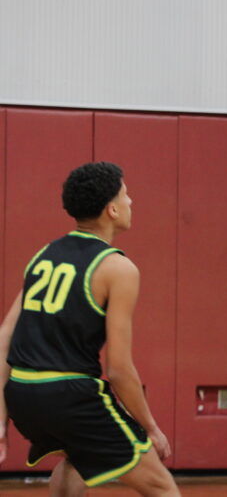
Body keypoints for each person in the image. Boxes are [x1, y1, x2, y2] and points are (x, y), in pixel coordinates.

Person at [0, 162, 178, 496]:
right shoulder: (118, 268)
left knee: (78, 461)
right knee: (161, 487)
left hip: (23, 394)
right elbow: (120, 369)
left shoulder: (43, 256)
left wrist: (0, 418)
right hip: (71, 396)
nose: (131, 202)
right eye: (126, 195)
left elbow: (3, 339)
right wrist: (151, 427)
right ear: (111, 209)